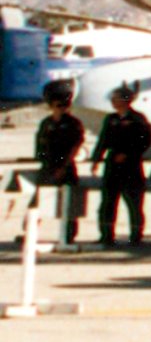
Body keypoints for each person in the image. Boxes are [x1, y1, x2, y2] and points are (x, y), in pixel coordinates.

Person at [92, 84, 151, 249]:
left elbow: (145, 140)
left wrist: (128, 154)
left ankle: (136, 235)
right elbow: (103, 139)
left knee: (134, 202)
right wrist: (96, 158)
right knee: (108, 202)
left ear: (126, 100)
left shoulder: (137, 119)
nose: (113, 101)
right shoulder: (111, 118)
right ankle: (106, 235)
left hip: (131, 165)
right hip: (112, 164)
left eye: (116, 98)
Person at [32, 80, 87, 246]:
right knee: (37, 202)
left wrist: (63, 167)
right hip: (48, 167)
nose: (62, 108)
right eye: (58, 105)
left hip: (66, 167)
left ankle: (69, 235)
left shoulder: (73, 123)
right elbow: (40, 145)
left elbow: (75, 146)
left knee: (69, 204)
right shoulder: (46, 123)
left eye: (64, 105)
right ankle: (30, 232)